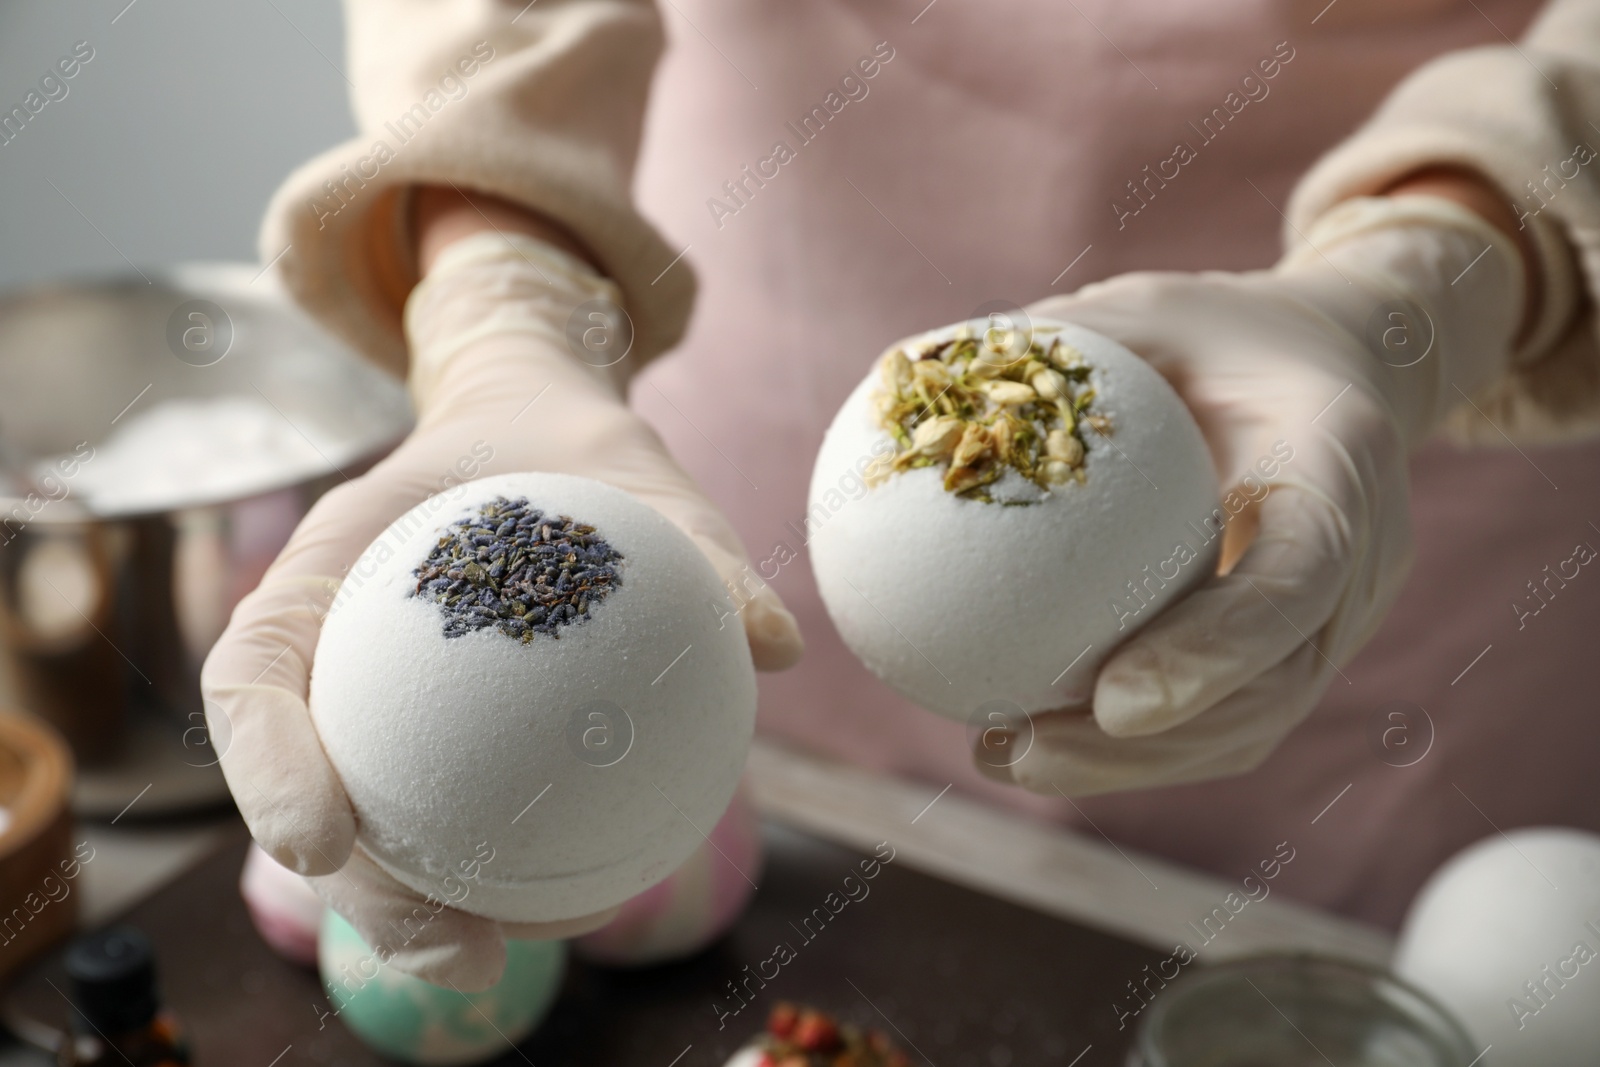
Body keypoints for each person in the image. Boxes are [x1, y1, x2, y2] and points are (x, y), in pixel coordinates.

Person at [202, 0, 1600, 989]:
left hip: (1344, 461)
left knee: (1373, 978)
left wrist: (1434, 281)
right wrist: (501, 294)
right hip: (725, 421)